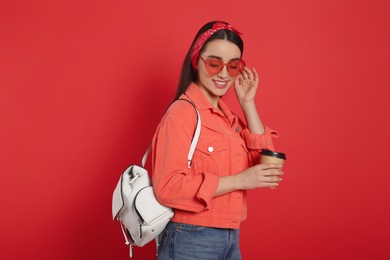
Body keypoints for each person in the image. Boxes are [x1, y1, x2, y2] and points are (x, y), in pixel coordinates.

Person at [151, 21, 284, 260]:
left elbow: (268, 166)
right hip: (191, 238)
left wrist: (248, 104)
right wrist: (239, 180)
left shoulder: (227, 118)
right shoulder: (182, 112)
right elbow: (167, 188)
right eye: (214, 64)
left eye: (233, 66)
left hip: (230, 237)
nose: (223, 74)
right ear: (196, 61)